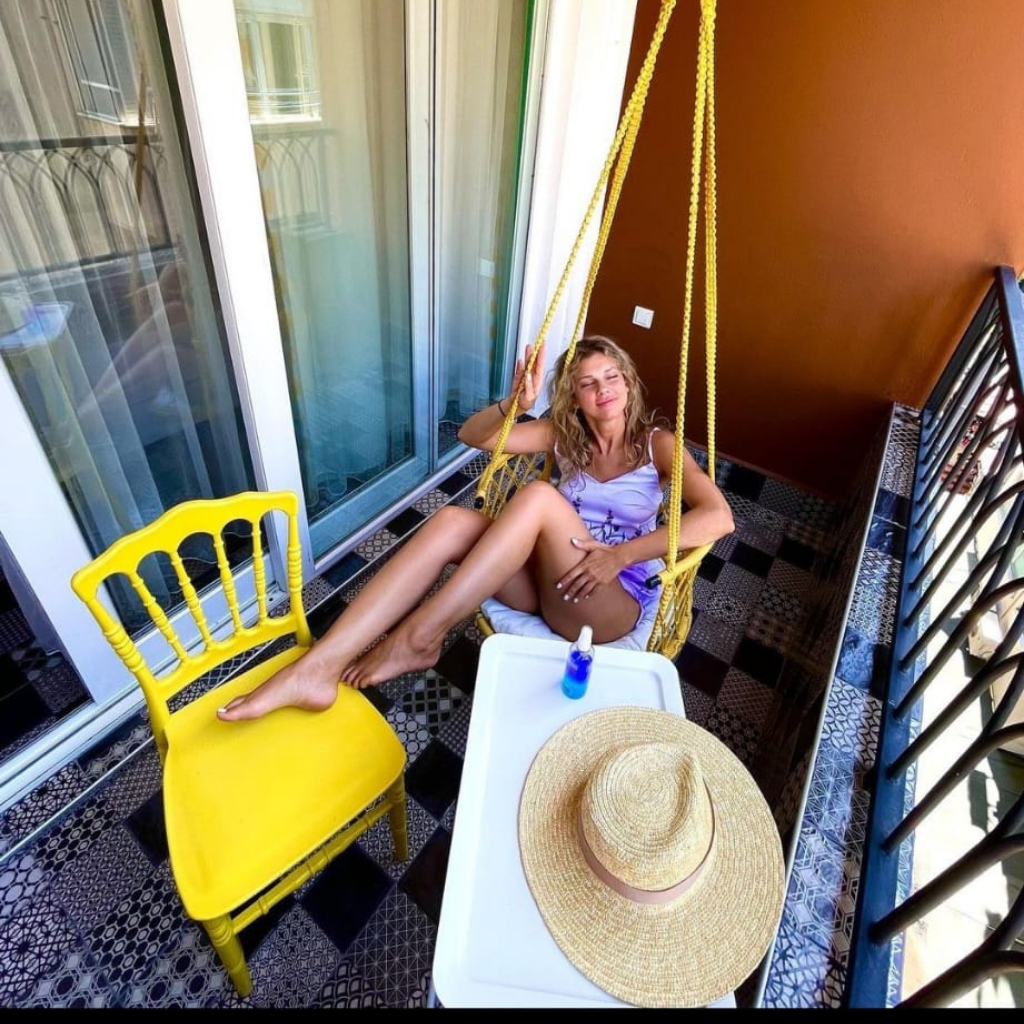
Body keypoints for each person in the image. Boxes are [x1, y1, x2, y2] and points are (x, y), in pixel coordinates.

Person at [217, 335, 734, 721]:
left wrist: (620, 555)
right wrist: (515, 406)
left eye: (612, 377)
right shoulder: (563, 436)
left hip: (607, 601)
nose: (603, 390)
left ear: (629, 383)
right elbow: (473, 436)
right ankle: (317, 668)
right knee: (449, 522)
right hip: (547, 584)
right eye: (588, 382)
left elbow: (718, 516)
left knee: (539, 497)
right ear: (573, 397)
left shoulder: (656, 445)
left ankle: (421, 634)